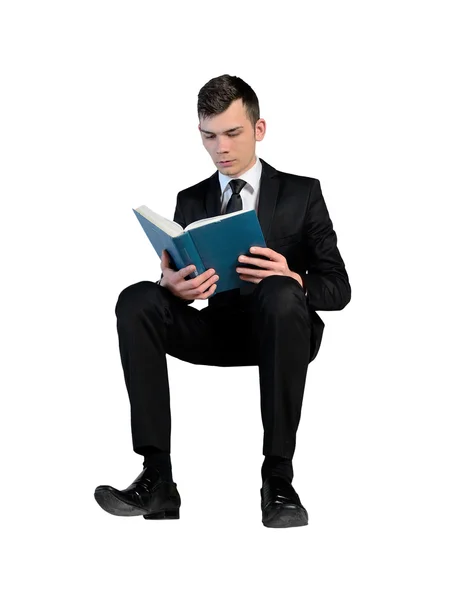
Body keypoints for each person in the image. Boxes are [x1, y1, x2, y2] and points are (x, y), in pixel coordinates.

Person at [94, 74, 351, 528]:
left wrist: (293, 276)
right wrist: (171, 286)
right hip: (219, 330)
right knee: (136, 299)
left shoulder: (302, 193)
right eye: (208, 136)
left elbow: (339, 288)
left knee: (278, 291)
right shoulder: (190, 199)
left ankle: (278, 481)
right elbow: (182, 276)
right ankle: (158, 479)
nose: (221, 148)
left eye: (232, 133)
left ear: (259, 129)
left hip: (284, 329)